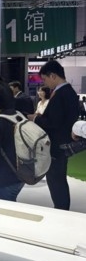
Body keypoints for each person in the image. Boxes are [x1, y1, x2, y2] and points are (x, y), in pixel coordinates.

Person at [27, 60, 78, 210]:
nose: (44, 83)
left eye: (45, 79)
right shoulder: (65, 92)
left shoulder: (63, 93)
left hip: (57, 144)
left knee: (56, 180)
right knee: (57, 180)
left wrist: (35, 118)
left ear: (53, 76)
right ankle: (61, 209)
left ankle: (61, 210)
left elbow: (55, 122)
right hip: (59, 143)